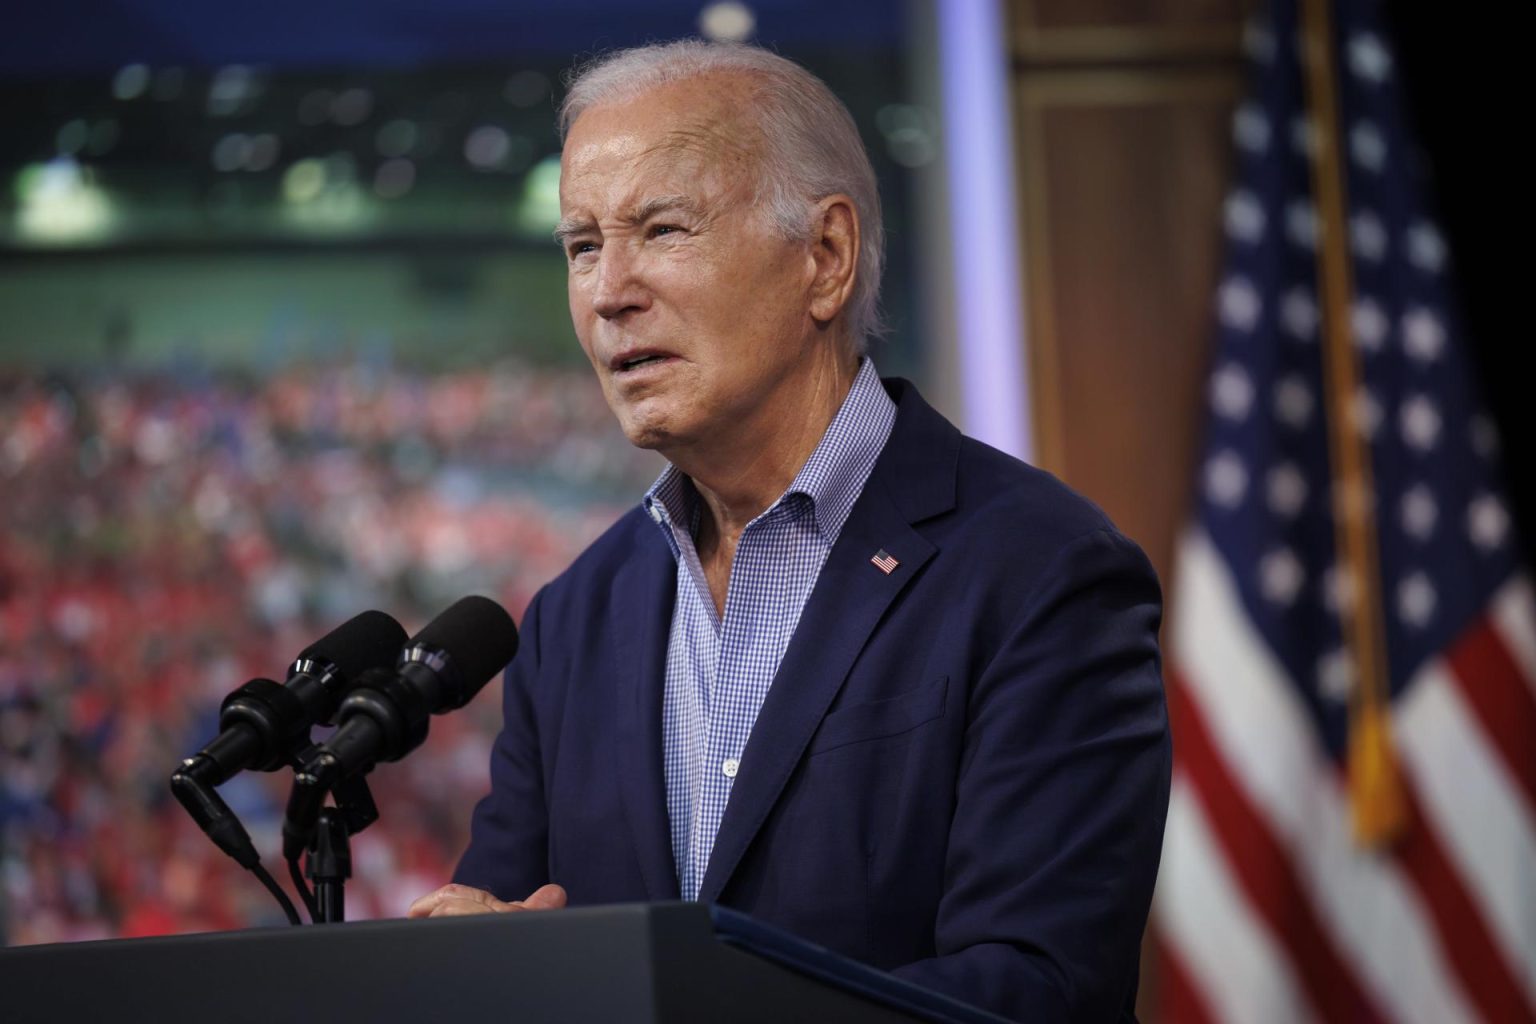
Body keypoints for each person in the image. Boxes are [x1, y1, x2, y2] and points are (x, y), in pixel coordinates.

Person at [407, 40, 1170, 1022]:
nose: (608, 293)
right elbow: (511, 946)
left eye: (662, 229)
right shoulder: (572, 621)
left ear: (826, 258)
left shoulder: (1040, 572)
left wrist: (649, 1003)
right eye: (583, 245)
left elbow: (1036, 990)